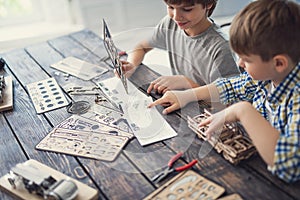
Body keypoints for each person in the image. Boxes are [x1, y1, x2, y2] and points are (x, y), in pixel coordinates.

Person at [148, 0, 300, 183]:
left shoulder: (296, 99)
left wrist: (241, 110)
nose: (240, 65)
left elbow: (289, 166)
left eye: (246, 60)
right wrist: (186, 95)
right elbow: (232, 85)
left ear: (279, 63)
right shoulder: (268, 76)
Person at [120, 0, 240, 94]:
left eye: (187, 9)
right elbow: (141, 47)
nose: (176, 17)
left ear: (208, 4)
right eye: (171, 7)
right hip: (180, 103)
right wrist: (131, 65)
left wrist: (187, 83)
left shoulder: (221, 47)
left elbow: (228, 98)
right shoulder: (170, 24)